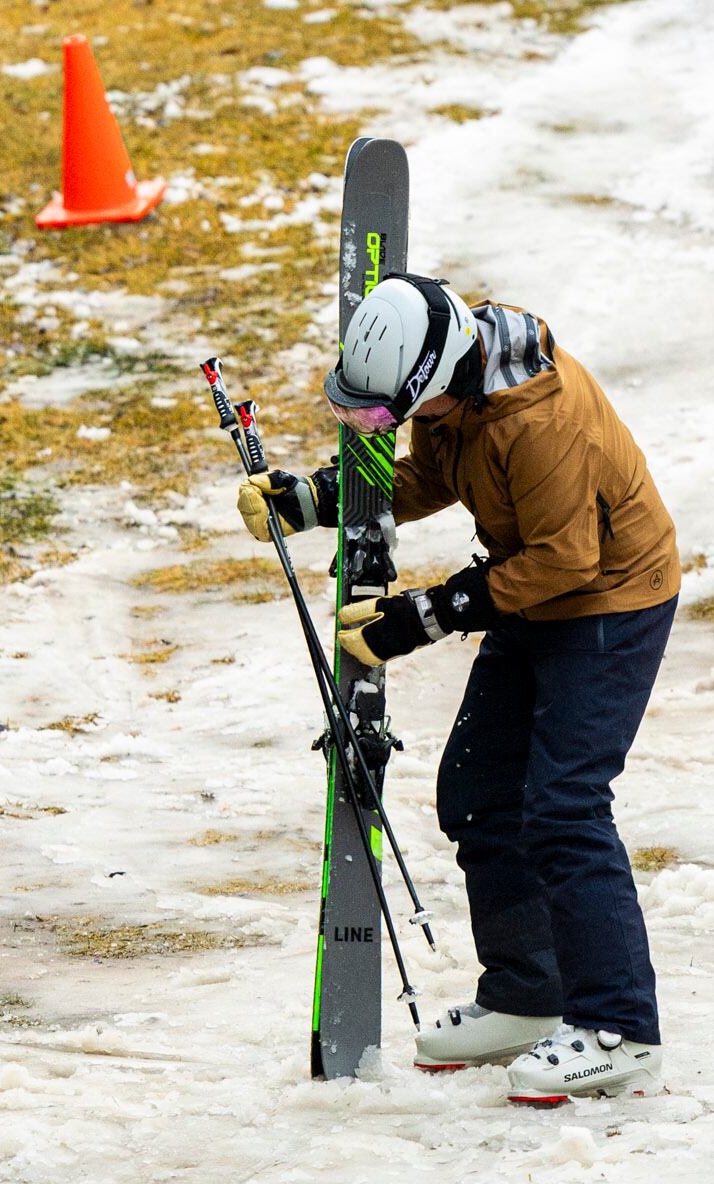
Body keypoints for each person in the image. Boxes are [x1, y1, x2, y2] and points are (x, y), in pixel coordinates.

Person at [235, 275, 681, 1103]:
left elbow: (567, 559)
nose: (380, 427)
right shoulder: (460, 394)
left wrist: (420, 620)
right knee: (478, 794)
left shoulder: (541, 422)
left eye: (384, 414)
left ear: (432, 383)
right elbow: (434, 477)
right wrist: (314, 498)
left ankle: (621, 1029)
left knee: (566, 806)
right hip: (536, 591)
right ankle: (527, 996)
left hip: (609, 600)